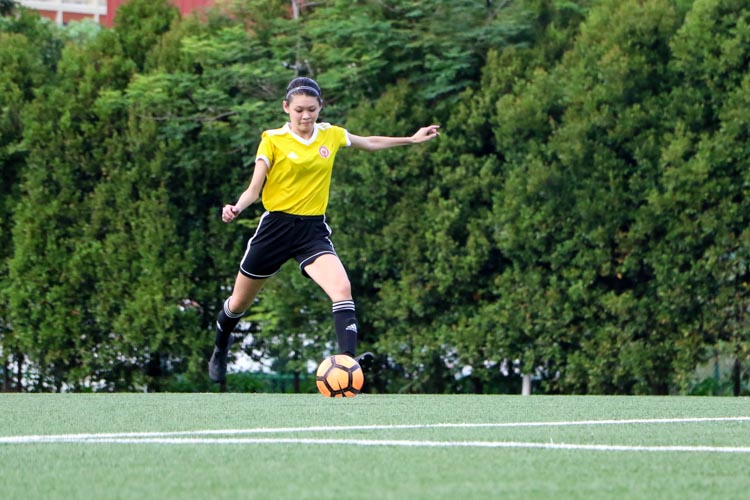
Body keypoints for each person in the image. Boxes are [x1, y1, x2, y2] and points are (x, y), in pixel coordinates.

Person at [209, 77, 440, 383]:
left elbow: (368, 142)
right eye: (299, 110)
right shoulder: (273, 140)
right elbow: (254, 188)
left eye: (312, 110)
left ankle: (347, 364)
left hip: (312, 231)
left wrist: (410, 140)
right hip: (275, 228)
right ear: (286, 108)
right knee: (238, 303)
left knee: (342, 290)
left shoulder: (330, 134)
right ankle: (221, 344)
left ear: (320, 108)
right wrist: (236, 207)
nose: (306, 116)